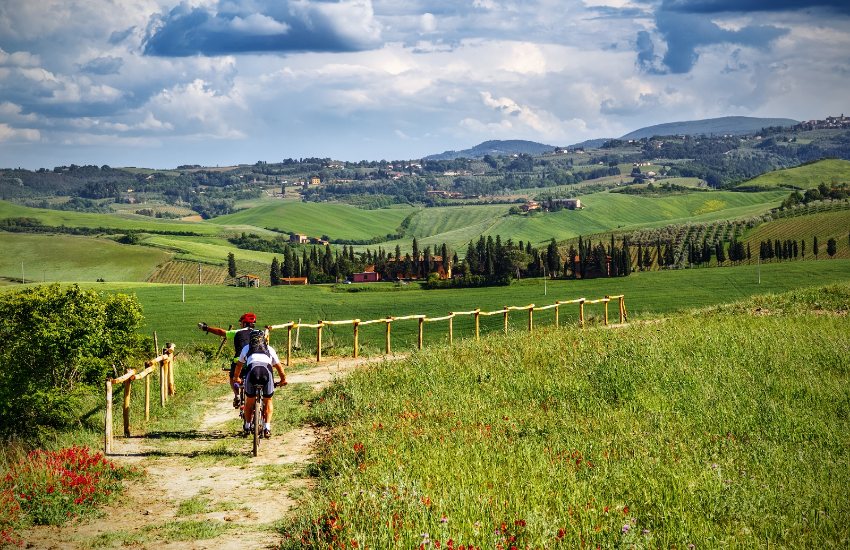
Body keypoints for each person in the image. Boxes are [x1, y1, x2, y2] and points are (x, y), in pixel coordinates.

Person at [234, 329, 287, 438]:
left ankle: (247, 426)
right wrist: (283, 380)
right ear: (264, 339)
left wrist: (236, 378)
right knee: (268, 400)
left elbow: (239, 365)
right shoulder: (270, 349)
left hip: (252, 372)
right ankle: (267, 427)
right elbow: (279, 367)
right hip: (266, 373)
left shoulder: (247, 348)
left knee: (249, 402)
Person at [198, 312, 257, 408]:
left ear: (244, 323)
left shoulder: (238, 332)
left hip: (239, 361)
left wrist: (206, 328)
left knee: (232, 377)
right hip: (254, 360)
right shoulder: (259, 333)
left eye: (241, 323)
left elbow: (221, 332)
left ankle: (237, 395)